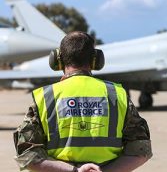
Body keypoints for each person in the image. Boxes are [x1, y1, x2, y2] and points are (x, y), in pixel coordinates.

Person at [13, 31, 152, 172]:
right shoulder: (117, 94)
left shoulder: (45, 97)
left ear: (57, 60)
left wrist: (75, 171)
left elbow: (27, 156)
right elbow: (141, 151)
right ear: (95, 60)